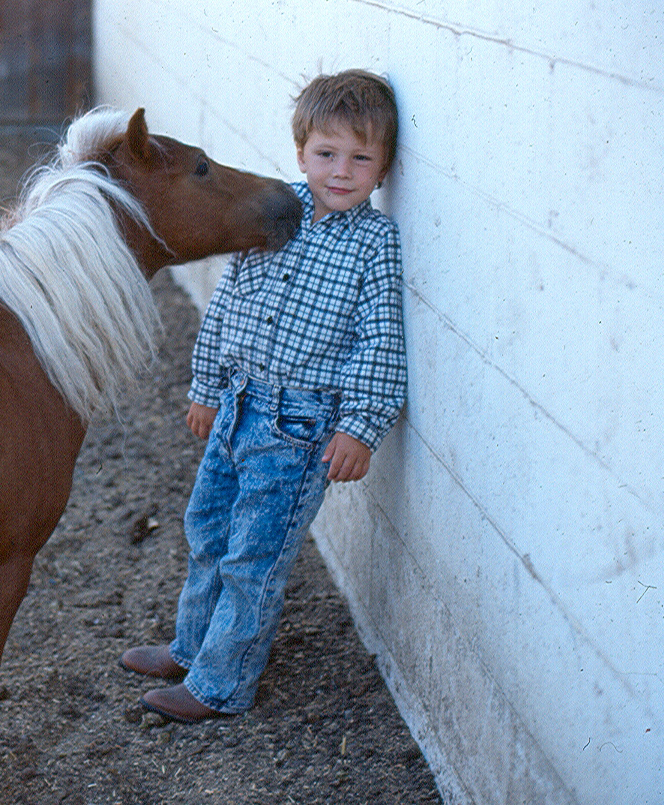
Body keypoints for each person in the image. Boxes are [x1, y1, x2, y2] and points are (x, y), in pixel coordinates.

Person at [121, 69, 407, 723]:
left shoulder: (374, 245)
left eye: (361, 158)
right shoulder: (275, 214)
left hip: (300, 428)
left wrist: (361, 427)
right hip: (240, 404)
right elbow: (225, 305)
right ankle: (192, 646)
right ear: (301, 151)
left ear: (384, 169)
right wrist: (207, 388)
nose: (341, 171)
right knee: (207, 530)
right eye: (326, 153)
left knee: (255, 554)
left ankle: (222, 683)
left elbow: (381, 343)